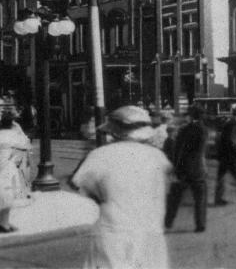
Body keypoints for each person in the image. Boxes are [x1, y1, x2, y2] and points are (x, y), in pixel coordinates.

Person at [70, 105, 173, 269]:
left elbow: (79, 183)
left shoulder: (101, 154)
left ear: (115, 131)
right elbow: (167, 187)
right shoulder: (158, 157)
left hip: (114, 232)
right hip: (150, 233)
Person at [0, 110, 32, 235]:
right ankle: (3, 223)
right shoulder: (14, 136)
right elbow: (27, 145)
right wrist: (19, 130)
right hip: (9, 167)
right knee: (8, 194)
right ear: (12, 124)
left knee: (0, 194)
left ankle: (2, 222)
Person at [165, 104, 208, 233]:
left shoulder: (184, 130)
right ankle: (200, 224)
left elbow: (177, 150)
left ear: (190, 115)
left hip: (183, 168)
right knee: (200, 197)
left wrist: (176, 167)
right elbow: (203, 151)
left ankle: (168, 221)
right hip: (198, 169)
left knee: (175, 196)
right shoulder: (203, 130)